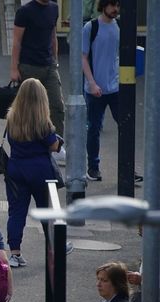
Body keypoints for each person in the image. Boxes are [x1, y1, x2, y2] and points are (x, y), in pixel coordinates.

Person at [3, 78, 62, 268]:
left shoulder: (12, 117)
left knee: (17, 212)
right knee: (47, 210)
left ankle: (14, 253)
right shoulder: (42, 121)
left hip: (16, 169)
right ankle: (55, 246)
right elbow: (53, 146)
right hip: (40, 170)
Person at [10, 0, 66, 165]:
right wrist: (14, 68)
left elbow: (53, 35)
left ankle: (56, 146)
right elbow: (17, 42)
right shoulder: (25, 11)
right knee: (27, 108)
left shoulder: (54, 9)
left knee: (57, 105)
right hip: (29, 66)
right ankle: (22, 143)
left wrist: (55, 60)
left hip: (49, 66)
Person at [81, 0, 119, 182]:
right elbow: (83, 57)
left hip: (116, 88)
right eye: (112, 5)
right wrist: (92, 83)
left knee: (125, 126)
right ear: (103, 5)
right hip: (95, 89)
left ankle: (127, 167)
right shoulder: (91, 27)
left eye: (118, 5)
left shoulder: (118, 27)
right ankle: (93, 168)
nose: (116, 9)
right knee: (94, 129)